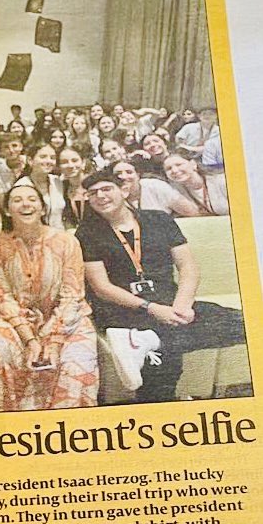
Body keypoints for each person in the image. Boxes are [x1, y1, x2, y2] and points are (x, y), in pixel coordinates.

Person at [75, 168, 245, 403]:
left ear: (124, 190)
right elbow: (102, 287)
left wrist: (183, 304)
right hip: (124, 310)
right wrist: (151, 307)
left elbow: (188, 267)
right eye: (93, 193)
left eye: (106, 189)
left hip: (171, 302)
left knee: (241, 324)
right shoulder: (87, 233)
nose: (100, 196)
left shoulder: (159, 219)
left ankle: (146, 342)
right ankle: (160, 402)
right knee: (167, 351)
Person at [0, 183, 98, 411]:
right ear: (7, 210)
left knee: (76, 363)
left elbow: (72, 296)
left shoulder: (67, 242)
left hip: (66, 320)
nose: (25, 204)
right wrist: (30, 339)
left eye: (32, 199)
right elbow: (3, 296)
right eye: (17, 200)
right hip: (14, 320)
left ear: (43, 209)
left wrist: (53, 340)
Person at [112, 158, 200, 217]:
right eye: (118, 174)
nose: (124, 176)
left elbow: (192, 212)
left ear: (138, 175)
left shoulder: (156, 186)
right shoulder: (111, 194)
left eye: (129, 172)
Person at [162, 153, 229, 215]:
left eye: (179, 165)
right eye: (168, 169)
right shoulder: (174, 191)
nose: (174, 170)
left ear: (193, 164)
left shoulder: (221, 181)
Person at [23, 143, 65, 229]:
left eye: (52, 158)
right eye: (43, 157)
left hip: (60, 235)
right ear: (30, 161)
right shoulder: (22, 186)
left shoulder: (58, 182)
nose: (49, 161)